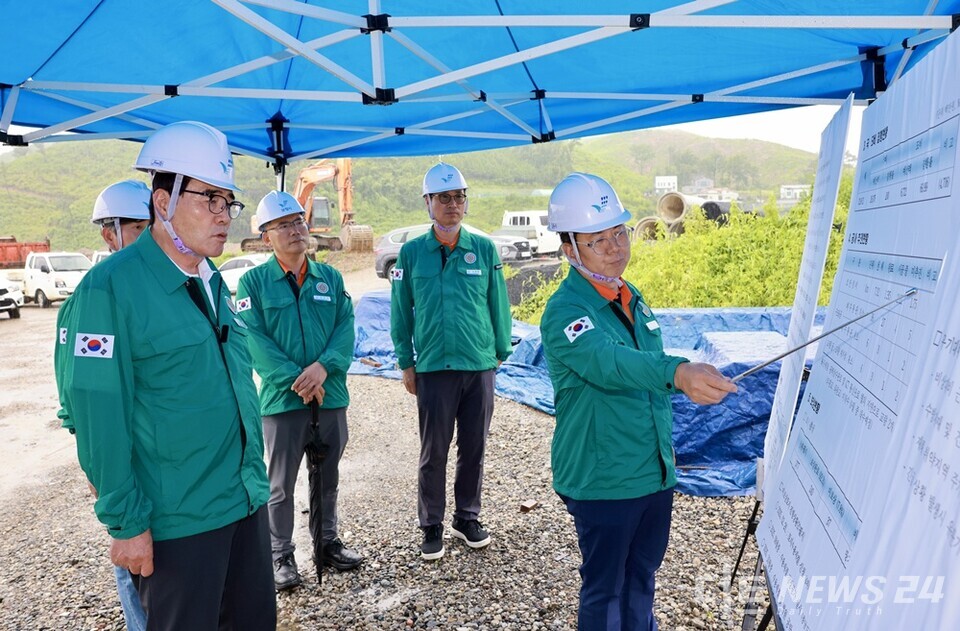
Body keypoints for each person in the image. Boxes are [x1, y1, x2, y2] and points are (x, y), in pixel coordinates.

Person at [58, 121, 275, 630]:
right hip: (178, 523)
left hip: (242, 504)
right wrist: (126, 523)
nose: (224, 215)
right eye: (209, 200)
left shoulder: (209, 277)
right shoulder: (108, 290)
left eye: (228, 202)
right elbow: (97, 420)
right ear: (163, 202)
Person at [539, 172, 737, 630]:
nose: (614, 247)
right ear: (569, 249)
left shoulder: (630, 296)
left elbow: (645, 367)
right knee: (605, 588)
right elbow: (609, 362)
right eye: (597, 240)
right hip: (604, 478)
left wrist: (682, 374)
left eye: (619, 233)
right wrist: (677, 372)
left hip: (653, 471)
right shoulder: (566, 311)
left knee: (641, 580)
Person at [236, 191, 362, 591]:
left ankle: (326, 543)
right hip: (282, 402)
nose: (295, 230)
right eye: (284, 225)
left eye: (299, 222)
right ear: (265, 236)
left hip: (330, 397)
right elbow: (254, 341)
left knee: (327, 477)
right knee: (280, 484)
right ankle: (281, 556)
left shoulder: (331, 278)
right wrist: (299, 379)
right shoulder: (251, 283)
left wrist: (323, 369)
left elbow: (345, 330)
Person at [390, 162, 512, 560]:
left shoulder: (484, 249)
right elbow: (400, 314)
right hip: (434, 369)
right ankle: (431, 524)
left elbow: (498, 304)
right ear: (427, 202)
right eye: (444, 197)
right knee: (434, 450)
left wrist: (499, 353)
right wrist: (406, 363)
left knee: (474, 446)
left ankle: (466, 517)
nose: (453, 204)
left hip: (478, 366)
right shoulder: (410, 254)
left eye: (459, 196)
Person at [54, 179, 151, 631]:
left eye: (153, 226)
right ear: (109, 235)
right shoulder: (93, 299)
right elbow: (81, 401)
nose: (148, 237)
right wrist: (105, 482)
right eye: (137, 228)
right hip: (126, 462)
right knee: (140, 574)